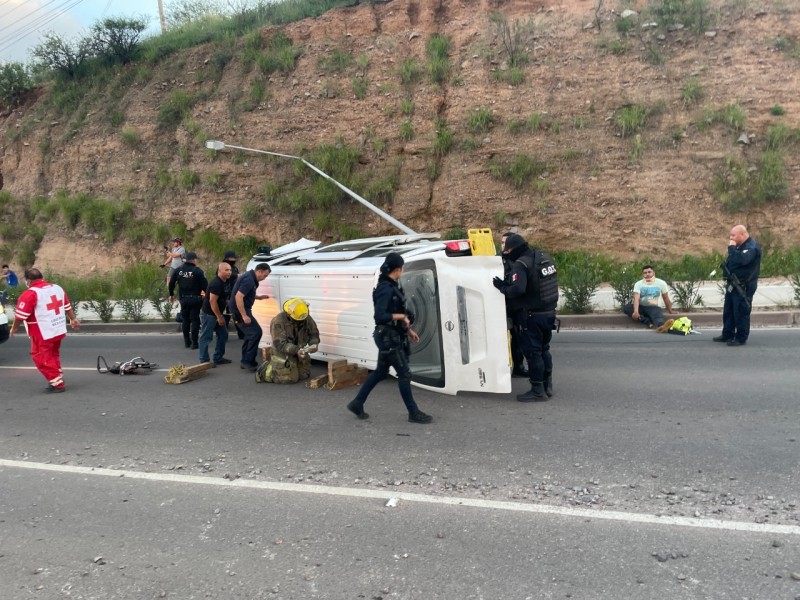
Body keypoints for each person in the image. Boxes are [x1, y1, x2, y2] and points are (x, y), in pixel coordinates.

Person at [346, 252, 433, 424]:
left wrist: (409, 329)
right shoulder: (385, 288)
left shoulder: (390, 285)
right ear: (398, 269)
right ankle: (413, 412)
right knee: (404, 374)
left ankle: (357, 403)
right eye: (402, 268)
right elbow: (380, 316)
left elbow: (396, 311)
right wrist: (402, 317)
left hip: (390, 336)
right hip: (388, 338)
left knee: (380, 372)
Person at [492, 233, 558, 402]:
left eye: (508, 251)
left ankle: (537, 390)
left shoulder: (521, 264)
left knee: (533, 353)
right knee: (544, 349)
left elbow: (518, 290)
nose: (506, 254)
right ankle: (547, 386)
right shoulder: (544, 257)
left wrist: (503, 287)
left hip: (531, 316)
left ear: (514, 249)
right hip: (549, 313)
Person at [9, 268, 80, 393]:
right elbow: (67, 306)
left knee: (40, 357)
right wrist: (73, 319)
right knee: (53, 355)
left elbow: (20, 316)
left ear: (29, 280)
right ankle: (56, 377)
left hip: (42, 332)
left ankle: (57, 383)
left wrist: (14, 328)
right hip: (58, 329)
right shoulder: (57, 288)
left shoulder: (30, 294)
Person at [714, 224, 761, 346]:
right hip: (733, 284)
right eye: (730, 235)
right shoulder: (739, 247)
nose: (731, 238)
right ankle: (727, 334)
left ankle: (740, 337)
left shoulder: (751, 247)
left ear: (743, 234)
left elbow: (741, 260)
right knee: (728, 310)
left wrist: (731, 249)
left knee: (740, 311)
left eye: (733, 235)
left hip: (743, 286)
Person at [259, 298, 321, 383]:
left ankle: (294, 365)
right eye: (297, 319)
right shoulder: (278, 322)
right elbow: (279, 344)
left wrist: (314, 344)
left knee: (304, 375)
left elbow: (314, 333)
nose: (301, 321)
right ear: (289, 313)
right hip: (283, 353)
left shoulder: (304, 316)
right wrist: (296, 350)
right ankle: (265, 371)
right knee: (290, 379)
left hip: (299, 351)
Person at [228, 262, 271, 371]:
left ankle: (247, 360)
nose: (264, 278)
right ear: (259, 271)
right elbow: (239, 297)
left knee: (250, 334)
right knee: (256, 333)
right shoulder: (249, 280)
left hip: (241, 310)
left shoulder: (250, 277)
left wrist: (258, 297)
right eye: (264, 275)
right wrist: (244, 315)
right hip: (240, 311)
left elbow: (246, 293)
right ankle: (247, 361)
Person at [501, 233, 528, 377]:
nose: (504, 245)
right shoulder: (498, 260)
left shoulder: (518, 260)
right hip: (502, 305)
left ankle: (518, 366)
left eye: (505, 242)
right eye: (502, 242)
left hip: (516, 305)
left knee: (518, 337)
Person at [169, 251, 207, 349]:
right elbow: (205, 286)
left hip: (184, 299)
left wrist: (171, 295)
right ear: (194, 260)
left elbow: (171, 283)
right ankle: (194, 343)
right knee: (195, 320)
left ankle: (187, 342)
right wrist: (207, 296)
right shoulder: (198, 271)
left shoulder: (178, 270)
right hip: (195, 299)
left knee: (186, 320)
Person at [623, 265, 677, 333]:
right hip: (641, 307)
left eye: (649, 272)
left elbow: (665, 297)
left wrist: (670, 310)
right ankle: (647, 321)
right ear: (643, 274)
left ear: (653, 273)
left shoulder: (661, 283)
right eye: (645, 273)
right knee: (627, 308)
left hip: (654, 308)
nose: (647, 274)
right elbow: (636, 298)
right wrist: (636, 311)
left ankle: (662, 326)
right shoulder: (638, 284)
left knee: (657, 317)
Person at [198, 262, 233, 366]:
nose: (229, 272)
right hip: (209, 314)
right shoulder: (216, 284)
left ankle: (218, 358)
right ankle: (204, 361)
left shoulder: (226, 281)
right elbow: (212, 302)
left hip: (217, 313)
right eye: (226, 270)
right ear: (219, 271)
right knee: (206, 337)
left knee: (223, 335)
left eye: (230, 270)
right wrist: (219, 317)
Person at [222, 250, 243, 339]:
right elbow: (226, 276)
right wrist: (237, 276)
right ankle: (224, 334)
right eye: (233, 258)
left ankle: (241, 334)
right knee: (226, 316)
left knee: (236, 315)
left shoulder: (235, 268)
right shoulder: (223, 267)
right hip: (225, 294)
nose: (234, 259)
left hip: (234, 294)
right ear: (227, 258)